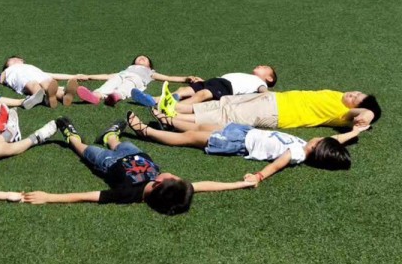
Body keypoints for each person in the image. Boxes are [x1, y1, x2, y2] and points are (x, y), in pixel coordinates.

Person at [22, 117, 254, 214]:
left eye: (172, 177)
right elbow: (205, 185)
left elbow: (88, 196)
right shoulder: (172, 189)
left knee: (85, 150)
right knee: (120, 143)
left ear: (158, 183)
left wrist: (48, 197)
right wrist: (239, 184)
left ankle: (71, 136)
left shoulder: (129, 193)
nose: (174, 175)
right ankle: (110, 136)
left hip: (107, 163)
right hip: (136, 155)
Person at [127, 111, 364, 183]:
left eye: (322, 140)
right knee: (203, 126)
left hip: (238, 143)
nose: (320, 137)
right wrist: (354, 132)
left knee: (190, 137)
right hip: (244, 132)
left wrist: (259, 176)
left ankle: (146, 131)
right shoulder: (306, 146)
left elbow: (278, 164)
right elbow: (337, 140)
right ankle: (168, 121)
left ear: (319, 148)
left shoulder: (299, 153)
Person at [157, 89, 381, 131]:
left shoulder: (343, 115)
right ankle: (178, 107)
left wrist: (367, 114)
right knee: (225, 103)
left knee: (227, 115)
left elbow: (360, 115)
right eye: (356, 92)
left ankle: (174, 118)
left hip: (276, 113)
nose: (353, 95)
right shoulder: (337, 94)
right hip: (273, 98)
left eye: (356, 100)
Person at [0, 56, 85, 109]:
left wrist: (73, 76)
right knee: (34, 84)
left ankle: (62, 96)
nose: (13, 61)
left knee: (49, 82)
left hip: (39, 75)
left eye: (15, 59)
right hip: (23, 79)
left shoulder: (30, 66)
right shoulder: (5, 73)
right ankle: (48, 98)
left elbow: (53, 75)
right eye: (11, 61)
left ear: (22, 61)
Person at [131, 65, 277, 110]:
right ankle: (153, 100)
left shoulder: (260, 83)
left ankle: (174, 108)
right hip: (217, 81)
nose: (260, 66)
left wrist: (271, 95)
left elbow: (263, 91)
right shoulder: (248, 76)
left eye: (264, 67)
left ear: (269, 78)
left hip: (227, 87)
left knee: (201, 95)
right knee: (183, 90)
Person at [75, 55, 188, 107]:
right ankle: (96, 95)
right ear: (133, 63)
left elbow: (168, 78)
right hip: (122, 75)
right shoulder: (126, 70)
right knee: (112, 81)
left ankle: (116, 96)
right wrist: (88, 76)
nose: (142, 57)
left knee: (129, 84)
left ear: (149, 66)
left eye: (145, 58)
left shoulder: (150, 72)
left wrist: (185, 78)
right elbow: (107, 76)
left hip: (137, 79)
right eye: (139, 57)